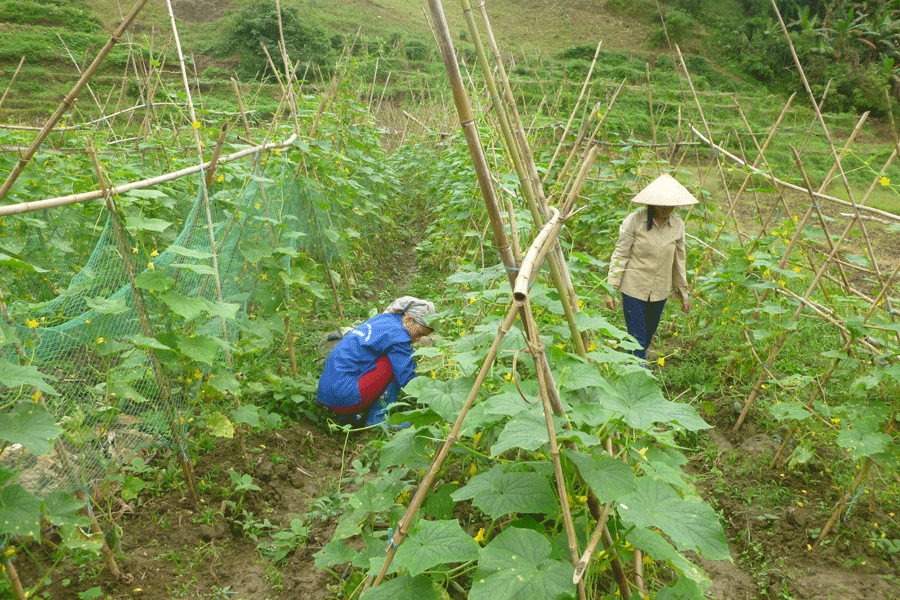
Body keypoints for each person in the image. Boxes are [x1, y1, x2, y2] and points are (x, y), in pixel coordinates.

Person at [604, 173, 697, 362]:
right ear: (652, 203)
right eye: (662, 205)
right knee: (637, 337)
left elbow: (679, 261)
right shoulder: (634, 221)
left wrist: (684, 294)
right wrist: (610, 288)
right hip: (634, 288)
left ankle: (630, 366)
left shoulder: (677, 226)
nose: (666, 209)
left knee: (646, 336)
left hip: (660, 290)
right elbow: (621, 254)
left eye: (670, 205)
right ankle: (639, 374)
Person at [316, 296, 435, 427]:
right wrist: (434, 397)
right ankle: (378, 419)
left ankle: (347, 417)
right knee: (394, 363)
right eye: (419, 334)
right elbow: (407, 378)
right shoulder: (398, 336)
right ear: (409, 320)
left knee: (379, 357)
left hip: (328, 394)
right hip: (345, 400)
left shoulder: (383, 320)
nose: (418, 340)